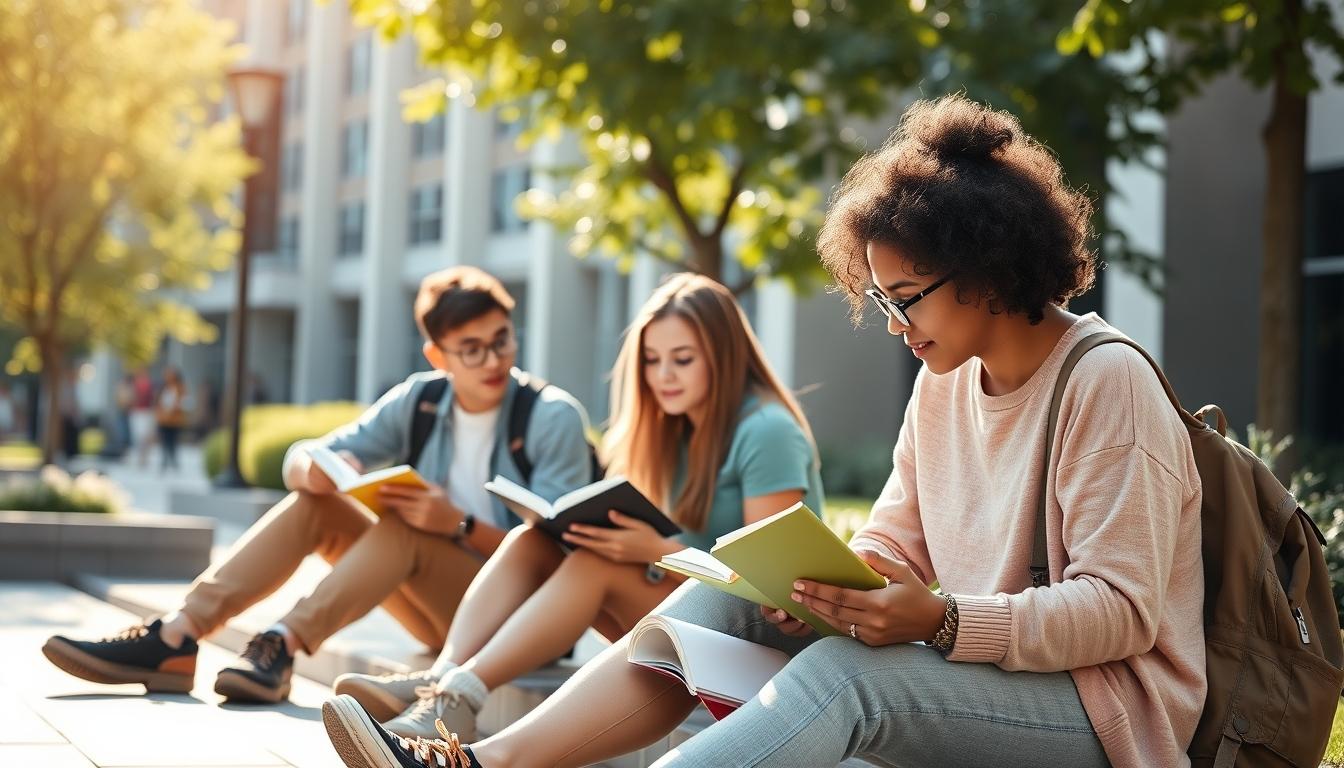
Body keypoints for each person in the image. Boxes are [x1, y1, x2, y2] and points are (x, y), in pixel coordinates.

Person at [321, 95, 1205, 768]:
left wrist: (941, 620)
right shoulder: (942, 386)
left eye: (906, 299)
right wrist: (828, 589)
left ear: (986, 267)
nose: (895, 326)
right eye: (881, 301)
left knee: (846, 679)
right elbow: (893, 543)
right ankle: (482, 763)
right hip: (992, 669)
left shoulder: (1106, 381)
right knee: (713, 606)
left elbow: (1120, 615)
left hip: (1100, 712)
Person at [42, 266, 595, 705]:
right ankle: (177, 636)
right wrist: (314, 470)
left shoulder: (551, 417)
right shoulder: (421, 400)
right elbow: (306, 455)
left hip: (520, 624)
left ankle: (282, 644)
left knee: (407, 525)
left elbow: (559, 559)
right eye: (472, 348)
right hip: (439, 610)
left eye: (502, 340)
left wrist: (458, 524)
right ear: (437, 355)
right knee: (318, 503)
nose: (494, 359)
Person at [330, 273, 825, 744]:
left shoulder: (767, 432)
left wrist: (656, 550)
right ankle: (441, 681)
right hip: (689, 624)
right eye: (652, 360)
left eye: (682, 359)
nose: (663, 376)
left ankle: (459, 695)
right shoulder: (671, 430)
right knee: (533, 539)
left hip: (759, 651)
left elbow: (766, 593)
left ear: (724, 357)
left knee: (594, 565)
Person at [155, 366, 188, 472]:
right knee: (164, 441)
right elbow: (158, 402)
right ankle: (164, 461)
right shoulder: (163, 388)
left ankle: (174, 461)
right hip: (163, 419)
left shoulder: (180, 387)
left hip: (174, 420)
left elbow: (183, 401)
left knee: (173, 441)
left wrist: (176, 406)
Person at [128, 367, 157, 467]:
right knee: (138, 436)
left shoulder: (150, 384)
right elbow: (132, 397)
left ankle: (145, 457)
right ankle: (140, 457)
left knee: (146, 436)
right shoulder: (135, 384)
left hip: (147, 411)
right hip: (137, 411)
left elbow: (153, 397)